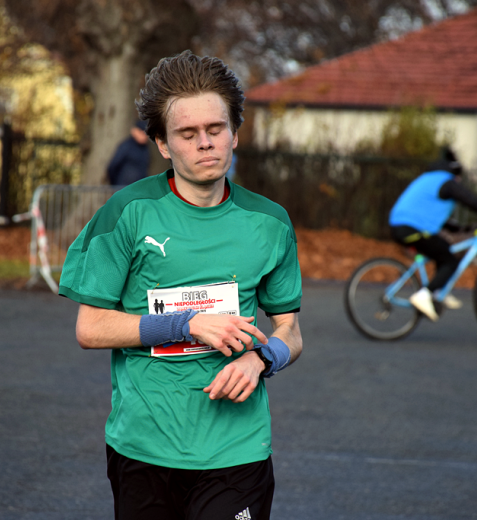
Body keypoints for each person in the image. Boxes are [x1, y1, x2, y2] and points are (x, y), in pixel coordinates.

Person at [58, 50, 303, 520]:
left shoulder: (270, 222)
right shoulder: (127, 212)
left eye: (215, 130)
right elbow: (90, 328)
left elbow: (290, 329)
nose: (205, 144)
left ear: (235, 132)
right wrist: (187, 323)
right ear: (163, 144)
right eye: (188, 134)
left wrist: (262, 358)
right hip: (144, 447)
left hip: (237, 451)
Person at [389, 146, 477, 321]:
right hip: (411, 228)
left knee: (444, 249)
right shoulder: (447, 182)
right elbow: (474, 203)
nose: (460, 181)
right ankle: (425, 295)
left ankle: (438, 291)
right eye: (459, 177)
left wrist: (458, 227)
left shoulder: (429, 179)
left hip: (403, 226)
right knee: (450, 260)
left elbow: (427, 210)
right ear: (455, 174)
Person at [107, 119, 151, 186]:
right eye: (141, 133)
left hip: (139, 188)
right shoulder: (126, 146)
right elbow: (113, 166)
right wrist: (115, 184)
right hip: (123, 187)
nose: (144, 136)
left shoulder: (145, 149)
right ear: (134, 131)